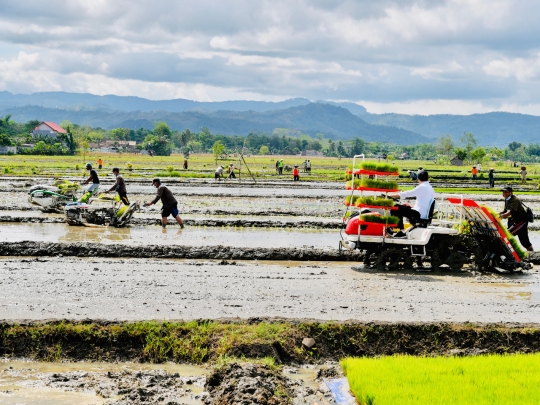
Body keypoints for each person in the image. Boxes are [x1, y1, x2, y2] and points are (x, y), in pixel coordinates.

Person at [388, 170, 435, 237]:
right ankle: (400, 230)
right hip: (422, 213)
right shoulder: (430, 188)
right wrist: (410, 205)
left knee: (395, 207)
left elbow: (407, 193)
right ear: (428, 178)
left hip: (418, 214)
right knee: (401, 207)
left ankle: (400, 230)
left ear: (418, 179)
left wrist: (391, 196)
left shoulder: (422, 187)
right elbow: (424, 204)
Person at [499, 186, 533, 251]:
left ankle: (532, 254)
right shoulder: (507, 199)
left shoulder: (515, 200)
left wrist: (502, 216)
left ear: (510, 193)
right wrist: (498, 214)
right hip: (514, 220)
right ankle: (512, 252)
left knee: (524, 241)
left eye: (506, 192)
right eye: (503, 192)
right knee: (508, 235)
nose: (504, 194)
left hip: (521, 221)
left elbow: (510, 212)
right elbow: (505, 211)